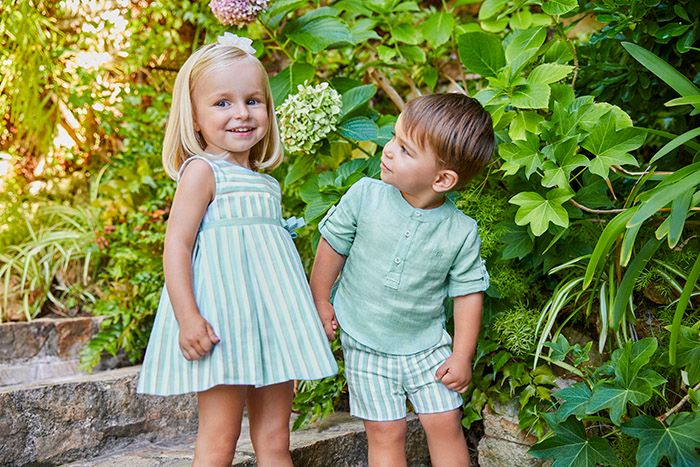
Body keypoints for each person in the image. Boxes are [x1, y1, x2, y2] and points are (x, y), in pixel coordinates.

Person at [137, 32, 337, 467]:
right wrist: (188, 316)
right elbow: (177, 244)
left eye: (253, 100)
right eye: (222, 103)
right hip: (222, 327)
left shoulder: (267, 183)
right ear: (193, 117)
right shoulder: (202, 172)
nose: (241, 113)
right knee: (218, 441)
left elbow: (271, 262)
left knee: (275, 441)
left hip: (272, 329)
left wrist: (306, 314)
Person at [310, 93, 494, 467]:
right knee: (386, 432)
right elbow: (332, 245)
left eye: (406, 150)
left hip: (427, 346)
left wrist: (461, 356)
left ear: (442, 179)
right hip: (365, 340)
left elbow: (468, 294)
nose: (389, 150)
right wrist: (321, 299)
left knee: (444, 421)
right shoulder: (365, 196)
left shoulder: (460, 231)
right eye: (394, 138)